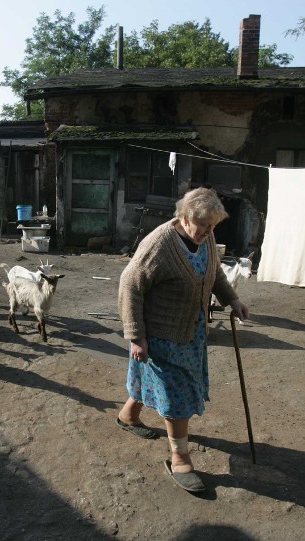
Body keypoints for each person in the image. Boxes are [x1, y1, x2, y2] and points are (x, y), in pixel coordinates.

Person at [117, 187, 249, 493]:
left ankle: (128, 415)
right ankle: (179, 457)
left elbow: (213, 272)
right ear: (185, 216)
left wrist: (232, 300)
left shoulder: (206, 236)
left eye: (213, 226)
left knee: (156, 382)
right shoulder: (159, 244)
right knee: (175, 395)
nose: (208, 232)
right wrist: (136, 336)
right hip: (161, 336)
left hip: (191, 331)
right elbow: (130, 285)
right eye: (203, 225)